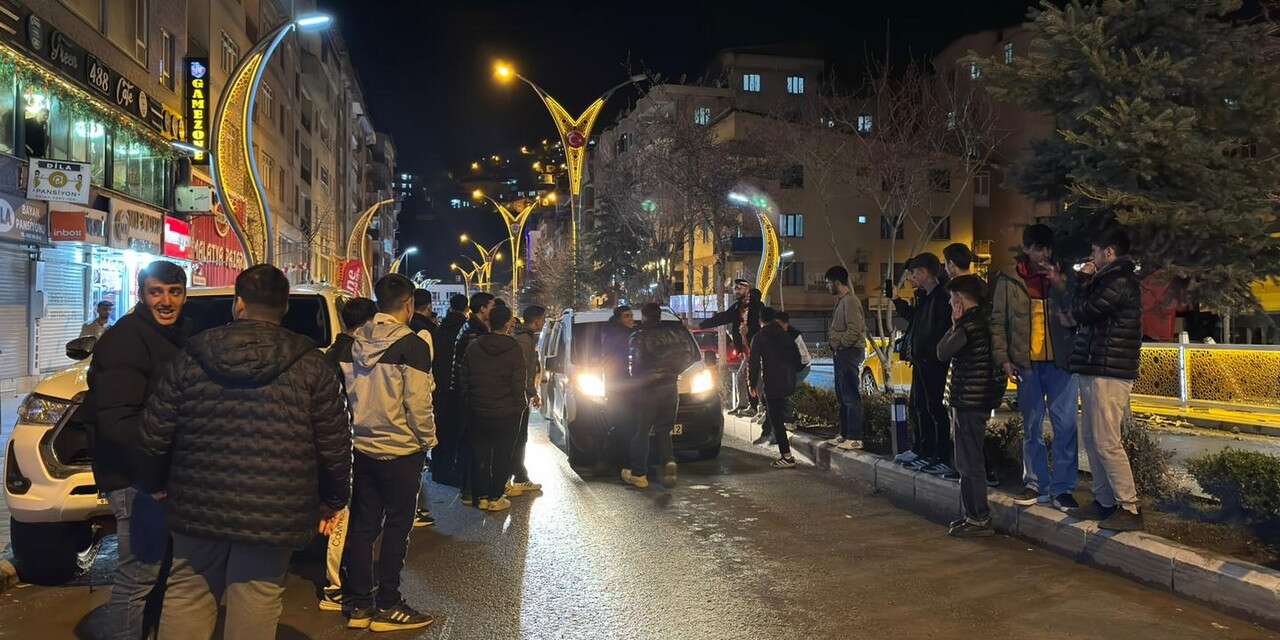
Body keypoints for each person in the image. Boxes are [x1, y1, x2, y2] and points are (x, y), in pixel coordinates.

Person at [136, 264, 351, 640]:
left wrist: (155, 483)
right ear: (284, 307)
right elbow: (334, 442)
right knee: (257, 596)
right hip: (276, 507)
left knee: (188, 592)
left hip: (196, 501)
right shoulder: (312, 365)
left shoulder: (192, 355)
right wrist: (333, 499)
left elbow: (155, 431)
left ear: (238, 303)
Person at [83, 260, 191, 640]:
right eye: (156, 292)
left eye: (174, 292)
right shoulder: (126, 339)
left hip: (158, 478)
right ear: (141, 294)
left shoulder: (173, 335)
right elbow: (117, 423)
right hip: (136, 480)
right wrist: (152, 477)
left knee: (160, 574)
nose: (166, 301)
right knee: (139, 577)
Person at [335, 273, 437, 632]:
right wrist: (428, 440)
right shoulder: (413, 344)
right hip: (401, 450)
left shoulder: (353, 342)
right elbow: (418, 404)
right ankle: (389, 604)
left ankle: (359, 604)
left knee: (363, 527)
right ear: (408, 304)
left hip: (362, 448)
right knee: (397, 527)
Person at [990, 224, 1080, 510]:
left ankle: (1063, 488)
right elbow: (998, 321)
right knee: (1031, 426)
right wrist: (1004, 359)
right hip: (1026, 364)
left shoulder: (1064, 276)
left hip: (1062, 363)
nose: (1043, 255)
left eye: (1047, 249)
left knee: (1065, 426)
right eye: (1038, 249)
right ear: (1026, 249)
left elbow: (1079, 311)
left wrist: (1059, 282)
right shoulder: (1010, 279)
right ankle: (1035, 483)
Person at [1068, 226, 1144, 532]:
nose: (1091, 257)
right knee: (1092, 438)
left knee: (1106, 440)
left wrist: (1082, 281)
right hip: (1096, 366)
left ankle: (1129, 506)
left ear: (1108, 252)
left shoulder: (1119, 281)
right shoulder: (1107, 280)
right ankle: (1104, 501)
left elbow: (1083, 311)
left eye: (1095, 252)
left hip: (1109, 370)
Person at [937, 275, 1006, 537]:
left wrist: (955, 324)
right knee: (969, 459)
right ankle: (973, 515)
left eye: (952, 299)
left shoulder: (969, 325)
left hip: (969, 400)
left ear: (961, 301)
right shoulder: (986, 321)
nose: (950, 304)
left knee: (968, 461)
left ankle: (978, 517)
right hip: (977, 398)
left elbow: (942, 352)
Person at [319, 296, 376, 611]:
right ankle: (334, 587)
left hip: (335, 442)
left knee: (341, 513)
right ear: (367, 323)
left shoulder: (331, 354)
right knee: (342, 514)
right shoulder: (353, 355)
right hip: (346, 443)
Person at [459, 305, 527, 511]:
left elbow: (464, 377)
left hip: (478, 410)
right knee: (502, 454)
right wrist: (520, 405)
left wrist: (469, 401)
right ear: (507, 324)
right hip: (507, 412)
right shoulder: (514, 348)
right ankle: (496, 497)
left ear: (489, 321)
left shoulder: (474, 346)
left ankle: (481, 496)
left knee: (480, 454)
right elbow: (518, 382)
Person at [893, 253, 954, 477]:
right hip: (920, 361)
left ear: (925, 273)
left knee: (935, 409)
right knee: (918, 406)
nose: (911, 278)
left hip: (934, 362)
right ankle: (922, 450)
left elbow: (940, 331)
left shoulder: (942, 297)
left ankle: (940, 456)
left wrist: (931, 353)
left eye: (914, 273)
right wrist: (897, 300)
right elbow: (915, 320)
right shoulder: (925, 297)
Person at [625, 303, 684, 488]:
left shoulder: (639, 336)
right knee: (664, 430)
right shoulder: (674, 334)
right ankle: (669, 462)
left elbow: (634, 366)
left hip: (648, 390)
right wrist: (672, 373)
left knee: (641, 431)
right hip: (670, 387)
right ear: (659, 316)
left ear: (644, 316)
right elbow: (687, 356)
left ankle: (639, 474)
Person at [448, 292, 496, 500]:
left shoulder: (472, 327)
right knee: (473, 443)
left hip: (467, 393)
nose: (494, 311)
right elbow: (475, 367)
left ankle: (470, 489)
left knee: (471, 442)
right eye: (492, 306)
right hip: (470, 396)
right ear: (482, 309)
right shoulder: (474, 332)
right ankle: (471, 490)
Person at [699, 279, 763, 416]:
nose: (736, 291)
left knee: (755, 379)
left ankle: (759, 407)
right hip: (747, 351)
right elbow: (722, 318)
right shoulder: (737, 308)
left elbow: (761, 326)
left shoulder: (757, 307)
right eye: (735, 288)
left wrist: (750, 331)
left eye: (739, 288)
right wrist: (701, 325)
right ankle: (747, 405)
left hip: (757, 350)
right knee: (744, 377)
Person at [749, 308, 804, 469]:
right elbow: (798, 359)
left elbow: (754, 363)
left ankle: (786, 456)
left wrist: (752, 384)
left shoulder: (759, 336)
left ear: (761, 320)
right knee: (781, 414)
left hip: (772, 382)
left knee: (776, 419)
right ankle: (787, 436)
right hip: (789, 381)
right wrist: (792, 373)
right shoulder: (786, 334)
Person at [822, 265, 867, 451]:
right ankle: (845, 434)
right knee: (842, 395)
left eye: (828, 283)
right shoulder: (841, 301)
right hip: (842, 353)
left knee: (850, 395)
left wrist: (840, 344)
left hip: (849, 352)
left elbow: (855, 329)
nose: (827, 286)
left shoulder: (850, 301)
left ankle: (855, 437)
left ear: (837, 282)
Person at [429, 294, 469, 488]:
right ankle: (447, 471)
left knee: (441, 429)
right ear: (466, 309)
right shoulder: (464, 330)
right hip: (455, 388)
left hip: (439, 386)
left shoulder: (439, 328)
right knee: (454, 432)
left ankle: (438, 468)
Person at [407, 289, 437, 529]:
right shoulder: (421, 335)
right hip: (402, 424)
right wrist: (428, 437)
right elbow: (419, 390)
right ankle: (411, 511)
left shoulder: (365, 338)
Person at [510, 305, 547, 495]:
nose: (544, 322)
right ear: (537, 320)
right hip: (519, 395)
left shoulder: (525, 337)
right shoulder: (525, 340)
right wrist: (532, 392)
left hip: (520, 394)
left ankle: (519, 475)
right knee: (518, 438)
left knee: (519, 437)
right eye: (543, 319)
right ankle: (517, 477)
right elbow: (524, 370)